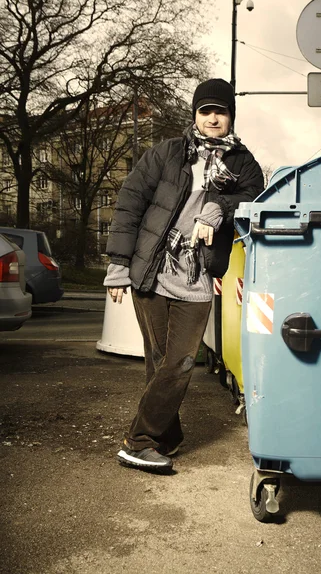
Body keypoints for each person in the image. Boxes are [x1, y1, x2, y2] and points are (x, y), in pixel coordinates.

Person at [103, 78, 264, 473]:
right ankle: (158, 438)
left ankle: (140, 439)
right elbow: (130, 204)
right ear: (195, 115)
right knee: (160, 361)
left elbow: (255, 195)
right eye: (205, 111)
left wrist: (218, 208)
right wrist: (118, 265)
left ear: (230, 116)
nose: (213, 118)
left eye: (220, 111)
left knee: (179, 362)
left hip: (197, 273)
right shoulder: (167, 153)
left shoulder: (242, 162)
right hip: (153, 268)